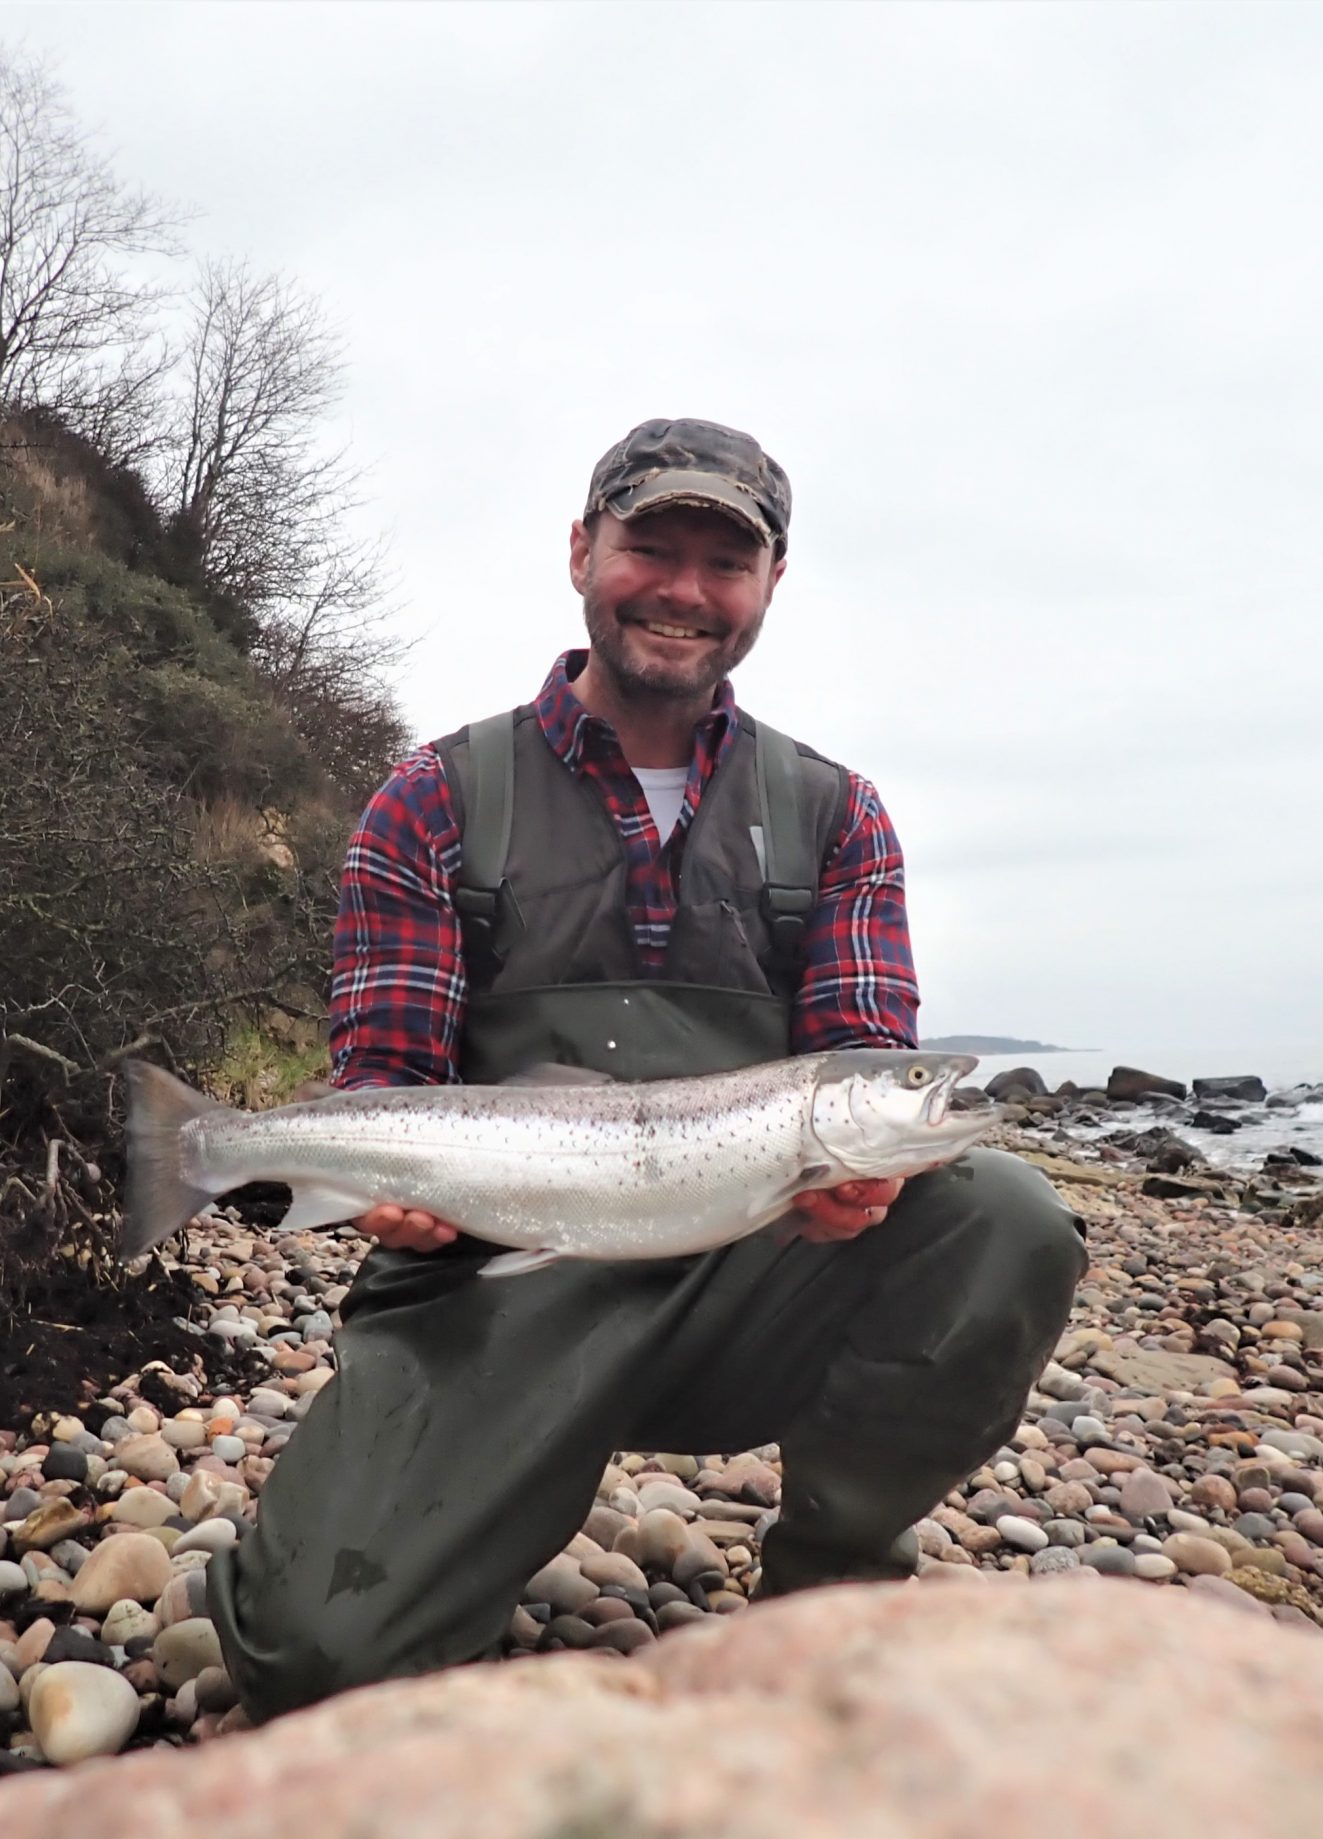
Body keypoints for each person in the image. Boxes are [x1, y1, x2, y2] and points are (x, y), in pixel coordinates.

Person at [206, 418, 1086, 1722]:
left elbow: (866, 1052)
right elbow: (385, 1073)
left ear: (770, 587)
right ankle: (397, 1499)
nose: (683, 588)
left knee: (1007, 1218)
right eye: (650, 545)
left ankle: (827, 1598)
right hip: (487, 1291)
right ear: (581, 551)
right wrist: (363, 1188)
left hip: (739, 1279)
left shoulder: (835, 816)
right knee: (311, 1668)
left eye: (724, 563)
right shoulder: (434, 798)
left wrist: (862, 1188)